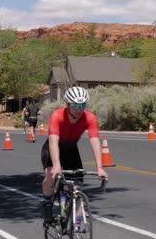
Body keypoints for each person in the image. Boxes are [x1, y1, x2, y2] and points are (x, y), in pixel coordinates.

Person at [41, 86, 108, 223]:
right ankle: (47, 204)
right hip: (52, 148)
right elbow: (53, 140)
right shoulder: (57, 115)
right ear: (67, 105)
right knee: (51, 177)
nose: (79, 109)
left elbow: (94, 141)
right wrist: (56, 165)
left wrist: (100, 168)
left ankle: (77, 223)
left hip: (71, 150)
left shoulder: (89, 118)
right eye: (76, 105)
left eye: (82, 105)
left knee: (77, 186)